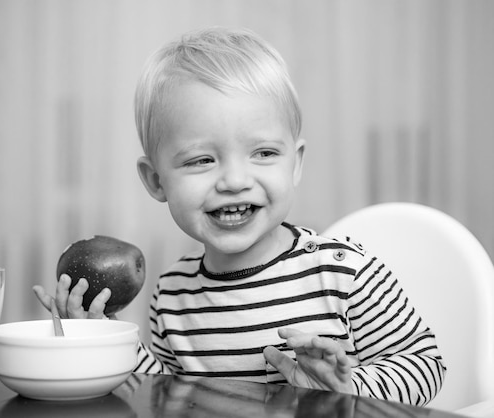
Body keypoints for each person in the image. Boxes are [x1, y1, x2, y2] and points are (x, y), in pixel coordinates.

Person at [34, 26, 445, 405]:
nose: (234, 180)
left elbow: (427, 365)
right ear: (157, 181)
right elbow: (168, 396)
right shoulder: (173, 294)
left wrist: (347, 389)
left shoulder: (342, 270)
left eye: (263, 153)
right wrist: (105, 338)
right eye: (201, 160)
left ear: (295, 163)